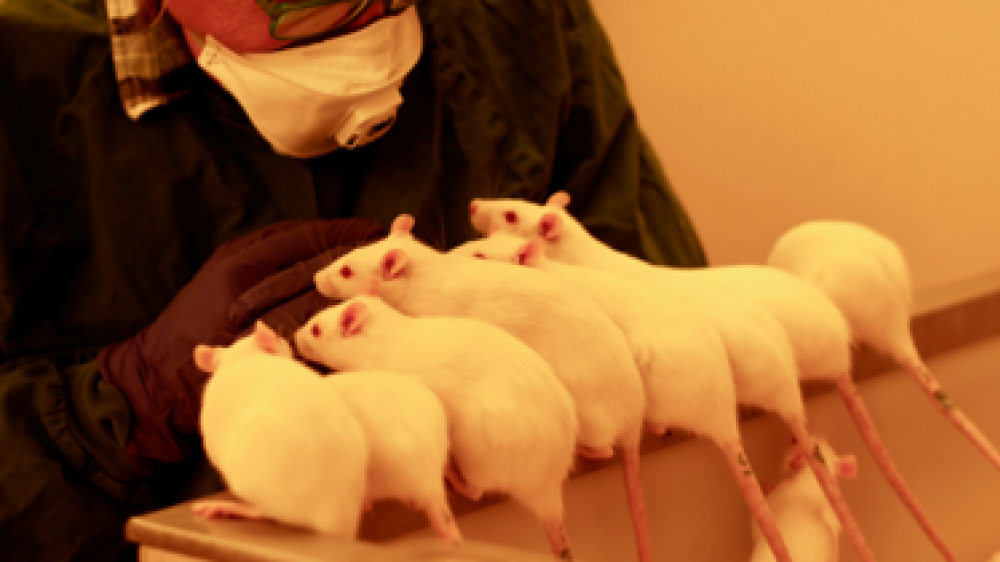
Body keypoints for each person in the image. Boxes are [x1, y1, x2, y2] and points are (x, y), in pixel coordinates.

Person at [0, 0, 708, 559]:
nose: (362, 14)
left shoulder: (517, 27)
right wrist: (124, 405)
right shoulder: (25, 73)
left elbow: (678, 346)